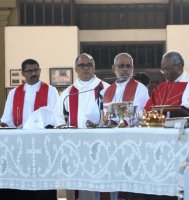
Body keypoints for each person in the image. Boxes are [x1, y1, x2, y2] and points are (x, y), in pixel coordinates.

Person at [0, 58, 58, 199]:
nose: (34, 73)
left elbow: (55, 117)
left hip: (42, 146)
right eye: (30, 71)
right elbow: (7, 118)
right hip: (19, 147)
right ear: (23, 73)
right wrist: (5, 125)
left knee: (42, 188)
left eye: (36, 70)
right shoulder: (14, 93)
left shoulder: (51, 91)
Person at [54, 53, 110, 128]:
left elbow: (112, 115)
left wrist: (100, 125)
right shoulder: (67, 93)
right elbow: (59, 116)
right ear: (76, 69)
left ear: (94, 68)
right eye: (82, 65)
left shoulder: (106, 89)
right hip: (74, 137)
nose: (86, 68)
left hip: (100, 136)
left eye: (89, 65)